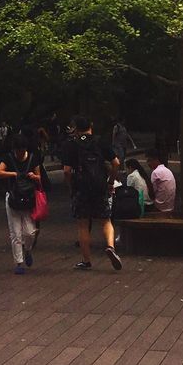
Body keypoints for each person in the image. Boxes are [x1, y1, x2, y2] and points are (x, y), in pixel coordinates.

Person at [62, 114, 122, 272]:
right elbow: (116, 163)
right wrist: (110, 181)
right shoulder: (100, 141)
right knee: (106, 220)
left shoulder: (71, 144)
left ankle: (86, 260)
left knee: (82, 224)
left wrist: (71, 187)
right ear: (91, 126)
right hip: (100, 186)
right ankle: (110, 246)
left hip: (81, 188)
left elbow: (67, 170)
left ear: (76, 128)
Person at [0, 134, 41, 274]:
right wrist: (13, 174)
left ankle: (28, 249)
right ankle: (19, 262)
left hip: (28, 198)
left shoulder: (33, 159)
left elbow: (40, 178)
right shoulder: (8, 158)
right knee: (15, 232)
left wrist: (34, 177)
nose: (19, 154)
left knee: (30, 232)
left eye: (21, 150)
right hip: (13, 197)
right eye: (17, 151)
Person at [146, 148, 176, 215]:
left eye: (149, 161)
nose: (148, 163)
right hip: (170, 206)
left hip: (160, 207)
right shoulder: (167, 170)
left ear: (156, 160)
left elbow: (152, 192)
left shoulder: (155, 172)